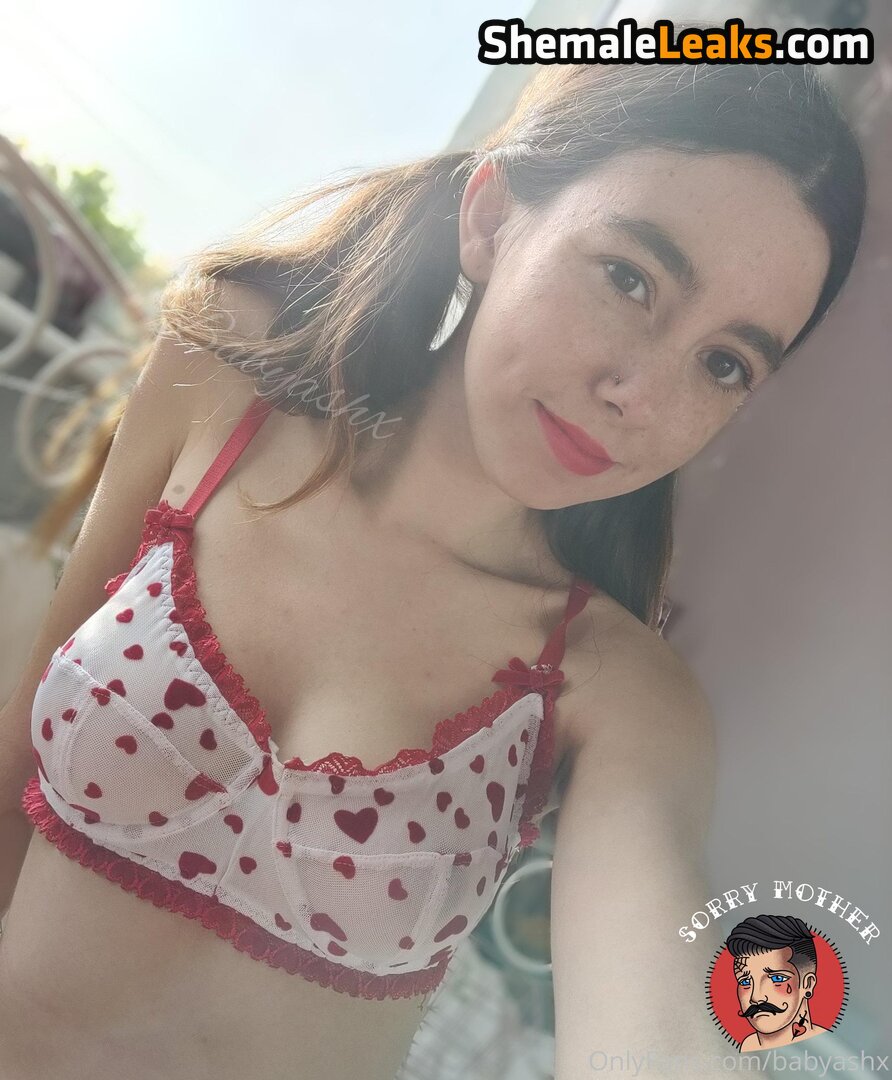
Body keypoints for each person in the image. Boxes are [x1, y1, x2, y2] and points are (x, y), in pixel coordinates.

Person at [0, 57, 866, 1080]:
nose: (638, 394)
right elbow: (18, 751)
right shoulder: (229, 369)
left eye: (724, 364)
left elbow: (655, 1030)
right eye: (629, 278)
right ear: (492, 217)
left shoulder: (618, 694)